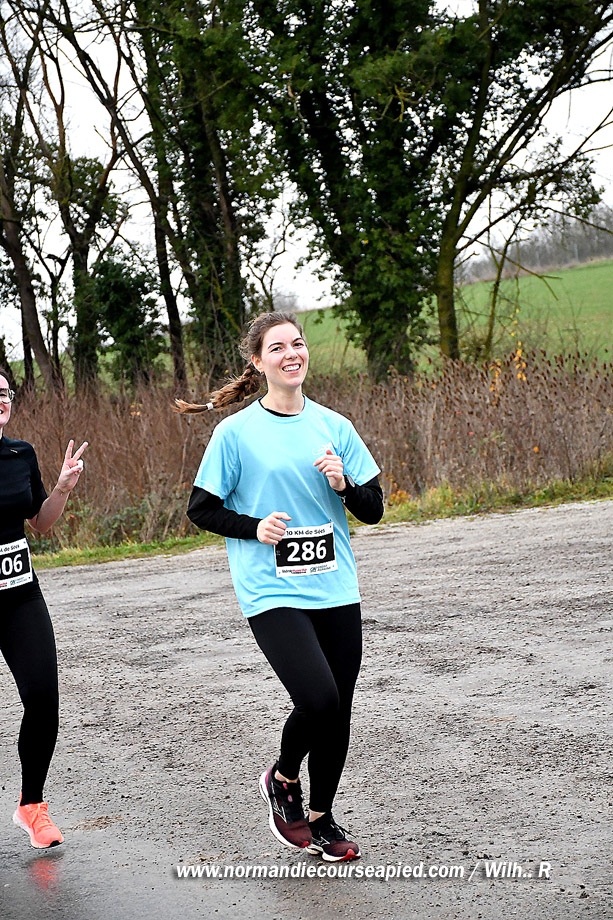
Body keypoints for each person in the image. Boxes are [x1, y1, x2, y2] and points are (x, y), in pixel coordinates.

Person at [177, 311, 384, 862]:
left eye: (297, 343)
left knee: (338, 708)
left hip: (334, 585)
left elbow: (374, 508)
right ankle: (283, 777)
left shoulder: (335, 426)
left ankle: (321, 819)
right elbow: (201, 508)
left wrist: (344, 485)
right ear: (257, 361)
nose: (292, 354)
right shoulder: (235, 433)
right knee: (318, 698)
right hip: (271, 589)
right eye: (277, 347)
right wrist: (255, 528)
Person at [0, 370, 87, 848]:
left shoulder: (21, 454)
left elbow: (40, 522)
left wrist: (62, 488)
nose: (0, 400)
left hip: (20, 594)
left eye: (4, 393)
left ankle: (31, 806)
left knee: (43, 698)